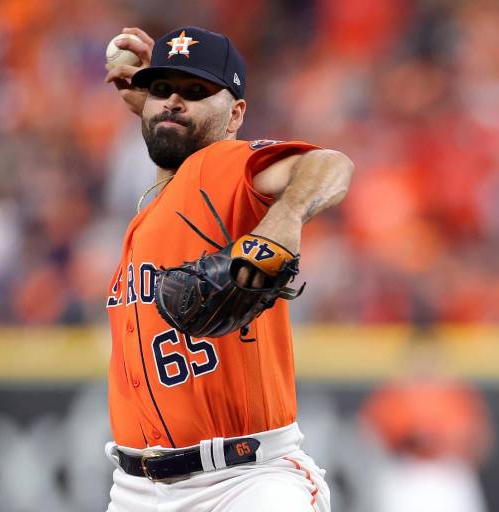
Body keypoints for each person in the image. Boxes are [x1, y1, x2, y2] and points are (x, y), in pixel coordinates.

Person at [102, 26, 353, 512]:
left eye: (197, 92)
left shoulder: (220, 166)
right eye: (161, 89)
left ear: (236, 114)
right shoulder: (157, 202)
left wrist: (284, 217)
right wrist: (163, 104)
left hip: (243, 483)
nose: (174, 101)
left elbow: (330, 165)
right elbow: (168, 123)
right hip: (135, 489)